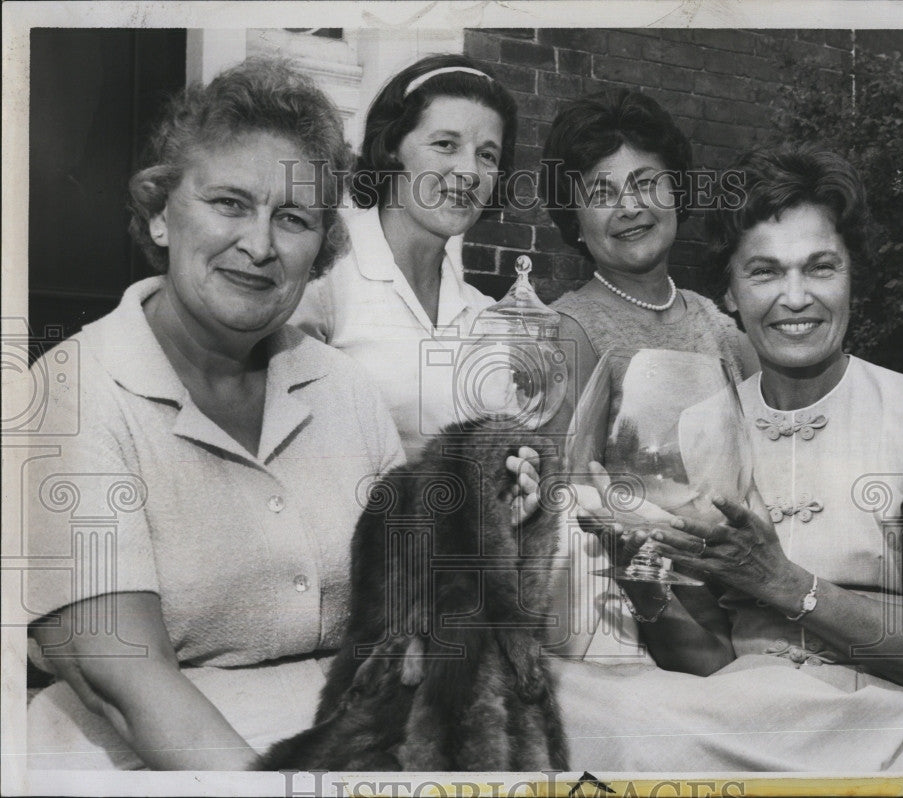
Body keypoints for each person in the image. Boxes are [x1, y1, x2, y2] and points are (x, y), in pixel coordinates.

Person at [23, 58, 539, 771]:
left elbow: (413, 604)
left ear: (320, 251)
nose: (260, 245)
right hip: (153, 756)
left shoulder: (344, 389)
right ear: (159, 215)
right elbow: (123, 681)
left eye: (292, 218)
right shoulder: (70, 393)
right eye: (230, 203)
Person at [557, 145, 903, 771]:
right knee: (550, 689)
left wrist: (780, 581)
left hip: (877, 717)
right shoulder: (702, 426)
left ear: (852, 275)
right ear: (728, 292)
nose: (796, 296)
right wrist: (634, 573)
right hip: (742, 713)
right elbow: (707, 660)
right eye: (765, 272)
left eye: (821, 267)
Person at [291, 54, 530, 460]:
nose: (469, 172)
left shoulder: (487, 317)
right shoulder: (321, 273)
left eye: (487, 155)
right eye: (445, 145)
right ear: (391, 150)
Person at [542, 89, 759, 392]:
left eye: (645, 184)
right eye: (601, 193)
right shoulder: (566, 335)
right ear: (575, 220)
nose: (629, 208)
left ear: (676, 194)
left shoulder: (719, 326)